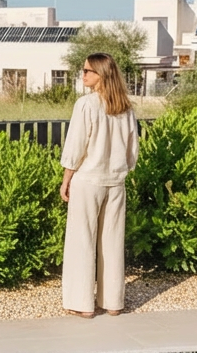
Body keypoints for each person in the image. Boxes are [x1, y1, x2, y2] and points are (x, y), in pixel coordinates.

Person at [59, 53, 140, 318]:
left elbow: (76, 145)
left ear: (101, 74)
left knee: (81, 241)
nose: (82, 75)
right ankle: (113, 303)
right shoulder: (126, 108)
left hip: (88, 180)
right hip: (116, 182)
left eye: (86, 71)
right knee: (112, 242)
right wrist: (120, 169)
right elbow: (132, 152)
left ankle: (82, 304)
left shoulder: (86, 104)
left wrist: (66, 178)